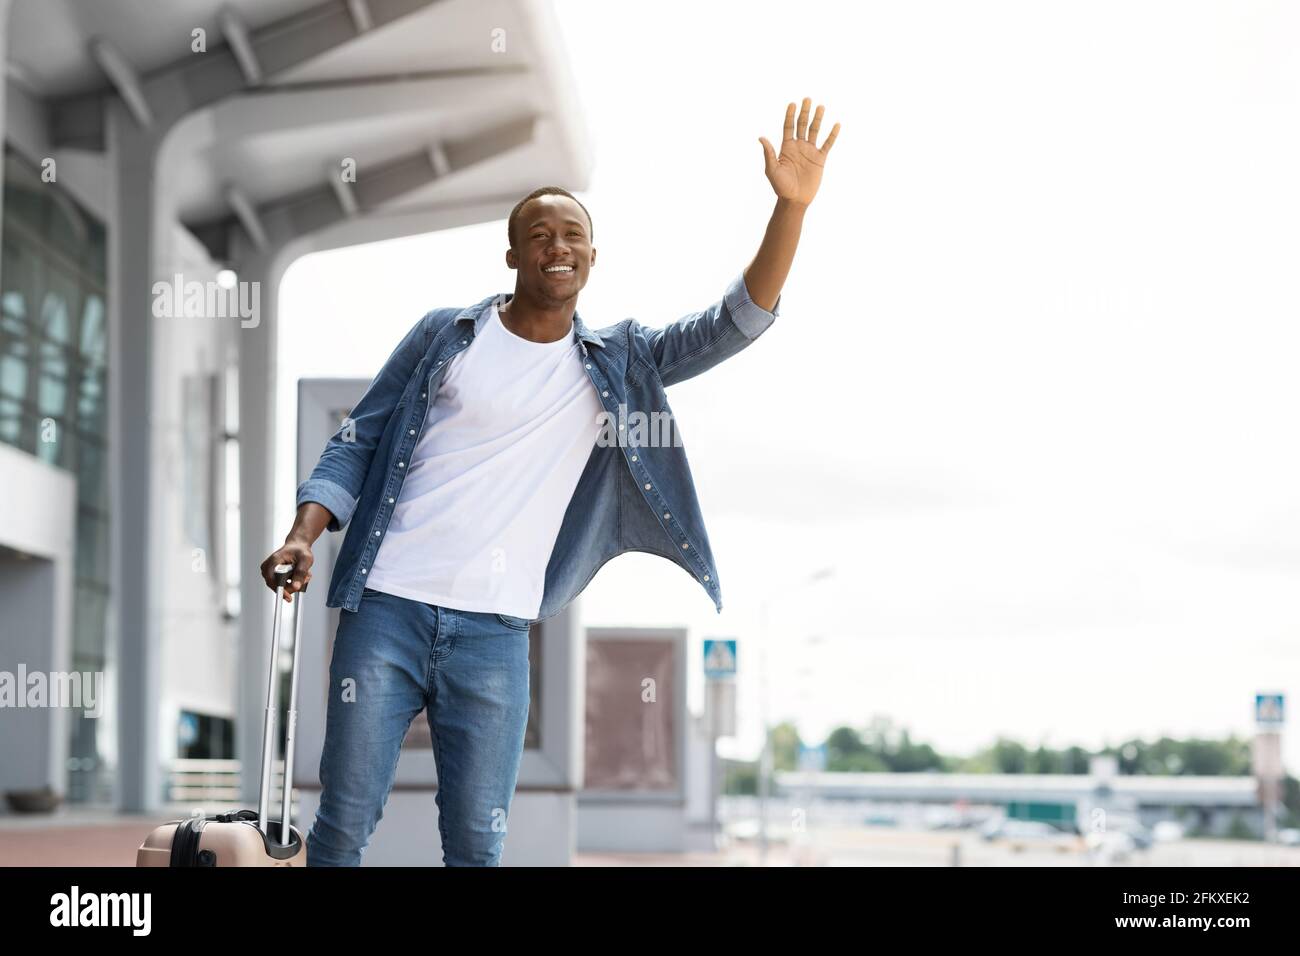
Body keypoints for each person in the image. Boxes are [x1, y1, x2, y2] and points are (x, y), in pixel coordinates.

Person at [259, 98, 840, 865]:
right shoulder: (445, 336)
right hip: (387, 608)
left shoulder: (618, 363)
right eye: (539, 235)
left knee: (475, 845)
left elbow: (733, 321)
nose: (556, 246)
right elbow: (357, 440)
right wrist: (304, 534)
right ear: (513, 256)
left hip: (496, 634)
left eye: (573, 235)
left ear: (593, 258)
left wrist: (788, 211)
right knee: (342, 825)